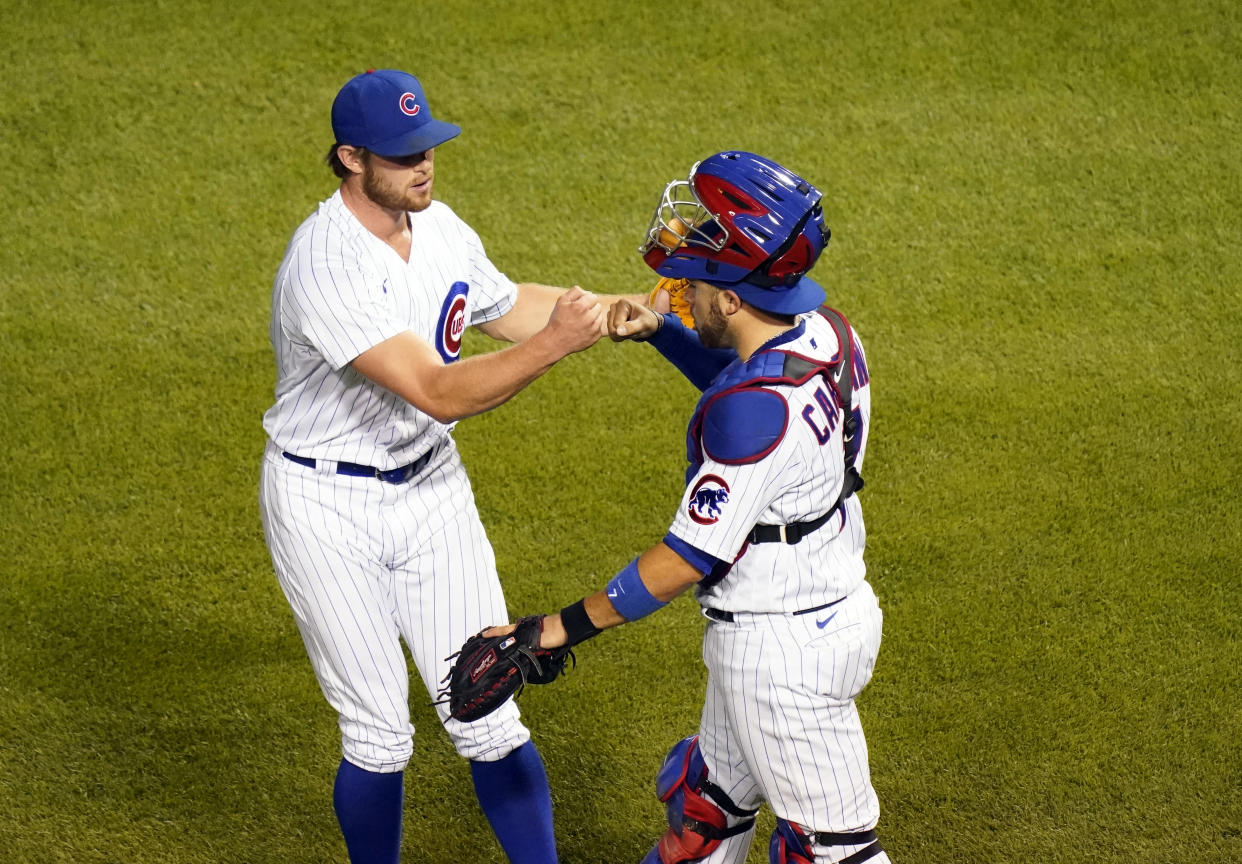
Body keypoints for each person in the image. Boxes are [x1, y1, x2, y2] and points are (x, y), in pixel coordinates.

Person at [257, 68, 637, 864]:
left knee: (488, 702)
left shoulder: (441, 226)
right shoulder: (327, 262)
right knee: (379, 734)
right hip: (327, 508)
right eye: (402, 156)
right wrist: (557, 344)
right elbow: (438, 391)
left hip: (430, 489)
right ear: (351, 159)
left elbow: (506, 307)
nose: (423, 165)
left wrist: (617, 312)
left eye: (427, 146)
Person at [490, 151, 892, 864]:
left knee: (835, 854)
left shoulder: (749, 417)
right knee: (706, 813)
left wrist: (555, 629)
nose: (682, 291)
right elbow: (752, 376)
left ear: (734, 300)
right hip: (824, 602)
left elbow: (683, 561)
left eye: (699, 287)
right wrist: (665, 334)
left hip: (780, 653)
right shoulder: (828, 331)